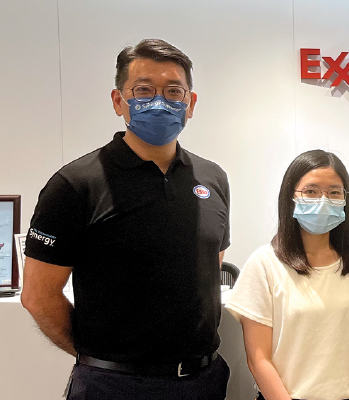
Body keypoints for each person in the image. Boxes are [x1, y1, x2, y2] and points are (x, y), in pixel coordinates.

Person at [21, 39, 230, 399]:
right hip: (113, 385)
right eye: (144, 90)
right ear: (119, 101)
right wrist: (97, 359)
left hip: (203, 381)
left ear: (191, 103)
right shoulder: (75, 184)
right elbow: (38, 296)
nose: (160, 101)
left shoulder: (212, 178)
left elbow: (210, 266)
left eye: (174, 91)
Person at [225, 149, 349, 400]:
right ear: (290, 196)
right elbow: (258, 358)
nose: (323, 200)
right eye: (311, 191)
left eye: (334, 192)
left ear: (346, 199)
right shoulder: (264, 263)